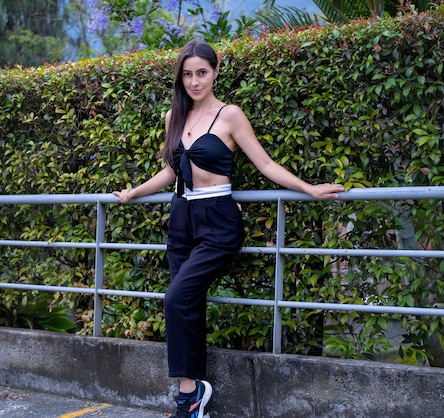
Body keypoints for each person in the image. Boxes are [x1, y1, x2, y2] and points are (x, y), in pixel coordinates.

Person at [113, 39, 344, 418]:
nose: (194, 81)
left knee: (175, 298)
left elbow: (265, 165)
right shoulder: (175, 117)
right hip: (180, 218)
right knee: (188, 306)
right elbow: (172, 170)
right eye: (187, 74)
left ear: (215, 72)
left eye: (201, 72)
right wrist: (133, 193)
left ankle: (189, 394)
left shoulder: (230, 115)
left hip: (218, 220)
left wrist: (308, 188)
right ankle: (195, 402)